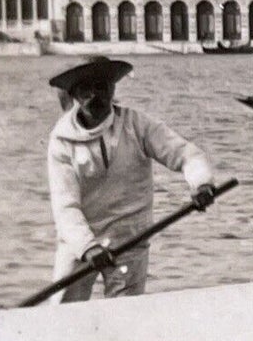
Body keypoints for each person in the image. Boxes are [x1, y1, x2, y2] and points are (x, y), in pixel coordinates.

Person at [46, 57, 219, 300]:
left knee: (125, 316)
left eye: (101, 87)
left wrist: (201, 184)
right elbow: (65, 207)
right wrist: (88, 247)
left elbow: (185, 154)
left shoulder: (137, 125)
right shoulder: (62, 141)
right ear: (74, 94)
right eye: (86, 90)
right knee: (63, 311)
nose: (95, 97)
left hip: (130, 238)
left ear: (112, 89)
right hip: (79, 241)